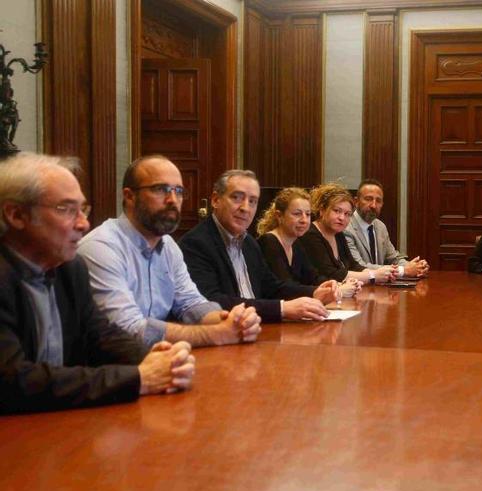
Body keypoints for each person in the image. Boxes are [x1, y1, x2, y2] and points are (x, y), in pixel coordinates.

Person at [0, 153, 194, 413]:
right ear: (16, 215)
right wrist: (139, 377)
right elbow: (12, 381)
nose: (83, 223)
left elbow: (100, 335)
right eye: (66, 210)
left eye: (83, 209)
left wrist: (153, 357)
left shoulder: (70, 268)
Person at [78, 156, 262, 347]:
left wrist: (232, 321)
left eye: (179, 191)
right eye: (160, 189)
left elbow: (191, 303)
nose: (173, 200)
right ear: (129, 196)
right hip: (111, 368)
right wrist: (216, 334)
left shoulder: (168, 246)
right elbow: (129, 329)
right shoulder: (101, 247)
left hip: (161, 359)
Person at [179, 170, 334, 322]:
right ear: (215, 200)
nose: (245, 208)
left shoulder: (249, 242)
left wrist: (314, 292)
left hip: (255, 327)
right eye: (237, 198)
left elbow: (270, 286)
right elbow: (211, 301)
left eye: (252, 201)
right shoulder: (195, 243)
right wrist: (282, 309)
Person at [255, 186, 361, 296]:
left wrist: (338, 285)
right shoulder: (269, 242)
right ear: (279, 215)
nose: (304, 220)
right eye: (297, 214)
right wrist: (335, 292)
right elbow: (284, 288)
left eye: (308, 214)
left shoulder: (295, 243)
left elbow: (313, 277)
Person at [298, 183, 394, 284]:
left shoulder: (338, 234)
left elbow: (353, 265)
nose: (342, 218)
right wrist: (373, 275)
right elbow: (331, 274)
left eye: (347, 214)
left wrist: (382, 273)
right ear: (322, 210)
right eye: (337, 211)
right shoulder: (310, 235)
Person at [344, 179, 429, 278]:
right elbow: (359, 266)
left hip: (381, 288)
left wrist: (416, 267)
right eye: (368, 199)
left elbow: (393, 258)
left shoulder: (380, 226)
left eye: (378, 201)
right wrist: (403, 270)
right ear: (356, 202)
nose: (373, 205)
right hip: (357, 287)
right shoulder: (346, 227)